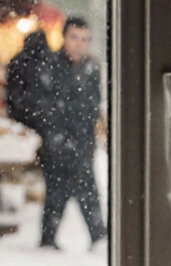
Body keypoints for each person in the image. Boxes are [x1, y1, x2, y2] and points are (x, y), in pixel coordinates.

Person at [31, 17, 107, 250]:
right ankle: (48, 241)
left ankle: (98, 239)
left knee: (89, 192)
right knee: (55, 195)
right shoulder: (50, 66)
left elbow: (94, 106)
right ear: (65, 37)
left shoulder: (91, 69)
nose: (79, 44)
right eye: (75, 37)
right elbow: (43, 107)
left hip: (84, 144)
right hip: (57, 146)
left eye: (84, 39)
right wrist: (57, 138)